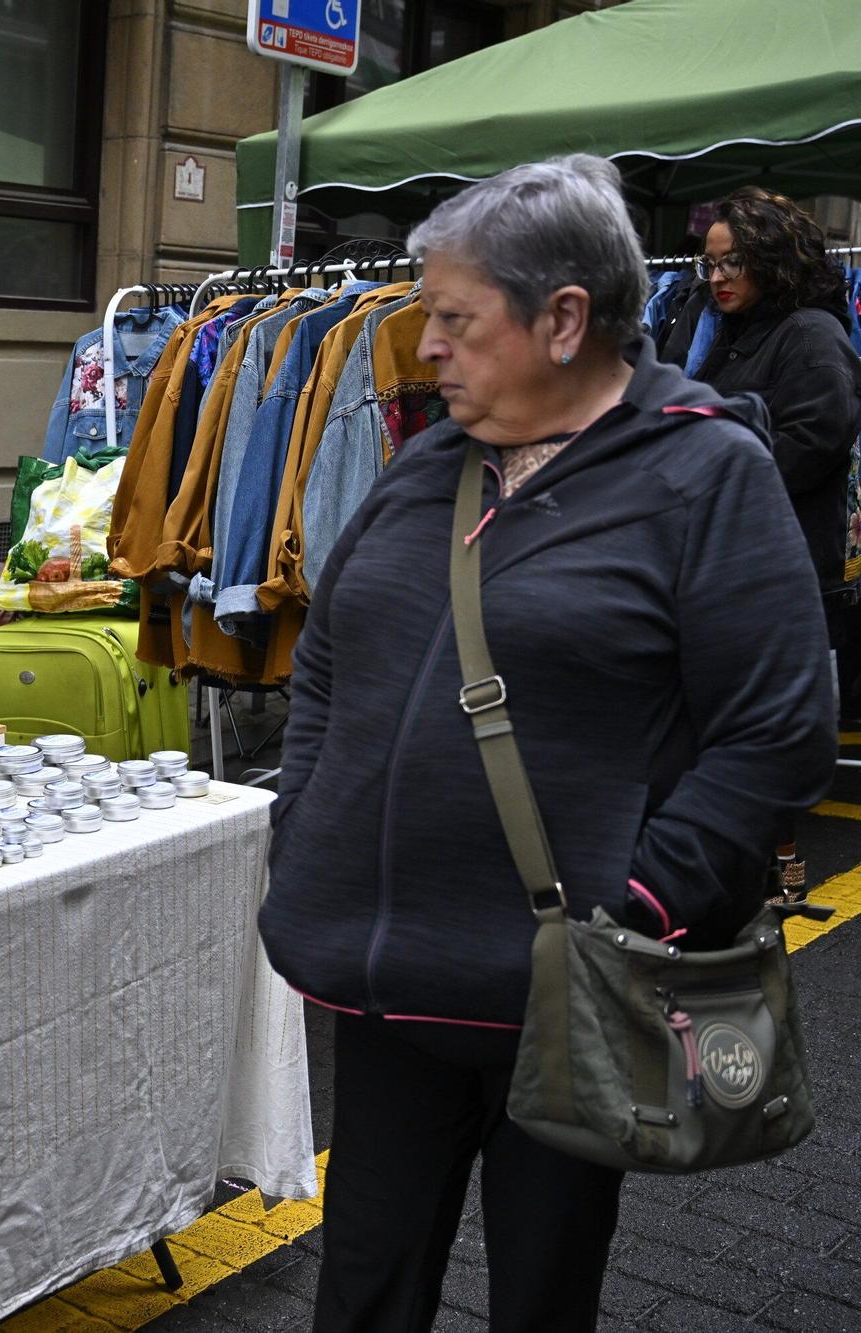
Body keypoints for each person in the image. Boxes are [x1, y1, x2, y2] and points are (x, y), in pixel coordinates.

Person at [258, 156, 835, 1332]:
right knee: (361, 1284)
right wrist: (302, 816)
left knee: (538, 1294)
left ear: (562, 318)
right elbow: (326, 654)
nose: (426, 348)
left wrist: (636, 900)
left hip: (568, 994)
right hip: (390, 989)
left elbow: (776, 727)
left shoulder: (701, 471)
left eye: (456, 321)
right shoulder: (431, 462)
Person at [667, 188, 861, 893]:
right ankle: (748, 858)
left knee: (747, 718)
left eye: (735, 261)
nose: (716, 277)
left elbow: (817, 437)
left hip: (772, 563)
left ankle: (777, 864)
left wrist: (714, 482)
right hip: (723, 558)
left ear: (774, 260)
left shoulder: (810, 332)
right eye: (708, 262)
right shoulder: (726, 328)